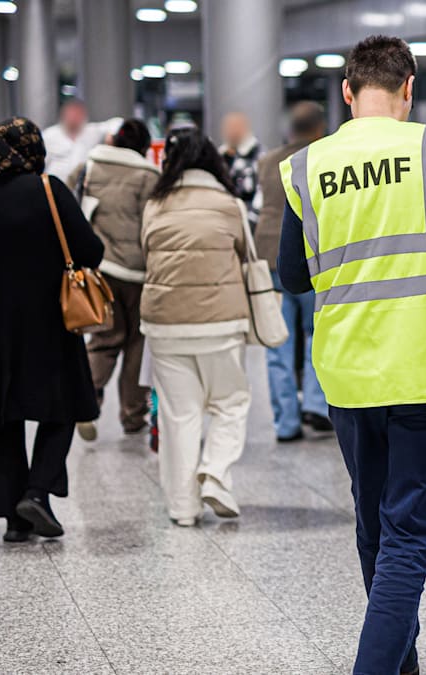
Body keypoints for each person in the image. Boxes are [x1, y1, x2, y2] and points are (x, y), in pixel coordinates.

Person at [276, 36, 426, 675]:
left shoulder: (306, 166)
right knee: (408, 537)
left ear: (347, 92)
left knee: (375, 528)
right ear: (409, 88)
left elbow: (291, 276)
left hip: (348, 372)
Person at [0, 117, 104, 542]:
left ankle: (15, 522)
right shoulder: (49, 190)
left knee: (1, 419)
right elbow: (91, 251)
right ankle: (36, 492)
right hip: (48, 325)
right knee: (65, 406)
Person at [141, 128, 252, 527]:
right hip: (221, 322)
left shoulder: (154, 205)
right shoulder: (229, 204)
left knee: (179, 414)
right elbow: (245, 253)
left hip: (165, 324)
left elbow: (146, 252)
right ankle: (216, 475)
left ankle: (183, 508)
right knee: (230, 402)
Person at [68, 119, 160, 441]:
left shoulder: (88, 167)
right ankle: (133, 416)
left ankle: (86, 403)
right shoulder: (149, 176)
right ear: (144, 147)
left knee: (103, 340)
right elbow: (154, 224)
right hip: (138, 273)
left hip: (100, 269)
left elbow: (70, 207)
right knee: (137, 344)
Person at [253, 102, 332, 442]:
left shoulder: (267, 161)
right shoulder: (323, 157)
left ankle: (286, 422)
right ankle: (316, 405)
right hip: (312, 253)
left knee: (278, 341)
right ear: (319, 129)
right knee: (317, 333)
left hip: (270, 255)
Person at [43, 99, 123, 179]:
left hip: (82, 183)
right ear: (63, 115)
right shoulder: (49, 135)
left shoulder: (91, 131)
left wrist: (111, 135)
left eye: (78, 114)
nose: (74, 118)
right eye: (71, 114)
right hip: (54, 183)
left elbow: (117, 123)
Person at [220, 111, 263, 221]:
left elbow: (261, 194)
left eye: (236, 127)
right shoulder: (219, 157)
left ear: (246, 128)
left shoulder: (259, 157)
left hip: (248, 219)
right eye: (229, 127)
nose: (232, 132)